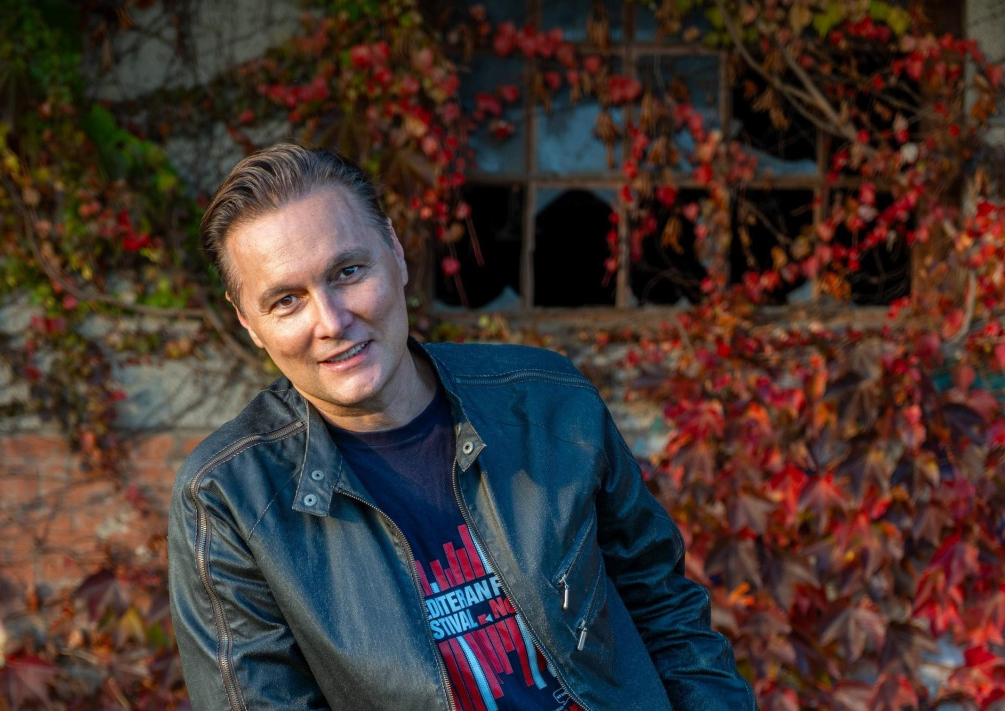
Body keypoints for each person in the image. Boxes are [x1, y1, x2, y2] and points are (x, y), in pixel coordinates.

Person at [168, 143, 757, 711]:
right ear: (248, 322)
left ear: (396, 252)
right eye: (286, 301)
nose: (332, 321)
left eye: (348, 271)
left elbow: (666, 613)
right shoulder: (229, 498)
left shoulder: (547, 401)